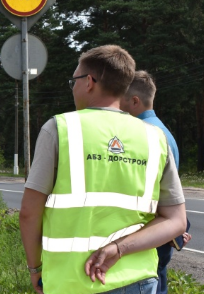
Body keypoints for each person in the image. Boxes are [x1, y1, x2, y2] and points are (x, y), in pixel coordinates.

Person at [19, 45, 187, 294]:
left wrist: (35, 270)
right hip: (139, 280)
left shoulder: (60, 128)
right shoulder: (155, 138)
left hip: (72, 282)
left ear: (89, 82)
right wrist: (119, 249)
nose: (73, 87)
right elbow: (176, 221)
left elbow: (29, 214)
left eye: (73, 80)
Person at [119, 70, 192, 294]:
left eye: (121, 99)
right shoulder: (162, 132)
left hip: (151, 234)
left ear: (134, 101)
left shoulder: (145, 135)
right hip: (160, 232)